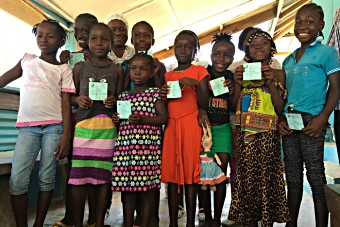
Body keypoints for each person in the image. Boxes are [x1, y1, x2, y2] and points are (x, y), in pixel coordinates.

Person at [0, 19, 75, 227]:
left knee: (46, 177)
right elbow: (3, 79)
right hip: (27, 129)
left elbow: (66, 105)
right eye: (40, 35)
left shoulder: (64, 70)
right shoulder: (27, 60)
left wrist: (66, 137)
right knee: (17, 181)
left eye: (50, 36)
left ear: (61, 41)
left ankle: (39, 224)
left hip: (54, 128)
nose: (43, 39)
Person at [278, 3, 340, 227]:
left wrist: (323, 118)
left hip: (312, 122)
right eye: (299, 22)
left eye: (309, 22)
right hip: (289, 122)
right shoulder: (289, 59)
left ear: (321, 26)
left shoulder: (327, 53)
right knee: (293, 178)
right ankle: (290, 224)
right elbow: (284, 96)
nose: (302, 26)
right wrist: (280, 120)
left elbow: (336, 89)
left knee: (315, 177)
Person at [227, 30, 290, 226]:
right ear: (247, 49)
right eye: (254, 44)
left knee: (267, 177)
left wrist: (271, 82)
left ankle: (267, 220)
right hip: (245, 134)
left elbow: (280, 108)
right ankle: (249, 221)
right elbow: (233, 105)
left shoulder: (279, 73)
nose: (258, 47)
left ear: (271, 48)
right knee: (247, 179)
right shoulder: (242, 72)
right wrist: (237, 84)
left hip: (268, 135)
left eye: (264, 43)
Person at [68, 23, 123, 227]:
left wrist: (113, 101)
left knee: (103, 176)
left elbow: (121, 99)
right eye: (94, 39)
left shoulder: (116, 69)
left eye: (104, 39)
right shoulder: (80, 67)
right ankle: (78, 223)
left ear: (111, 43)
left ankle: (98, 222)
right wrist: (78, 100)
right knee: (78, 176)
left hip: (107, 129)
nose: (99, 43)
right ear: (87, 41)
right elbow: (71, 97)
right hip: (83, 127)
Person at [111, 52, 168, 227]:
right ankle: (127, 222)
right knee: (127, 189)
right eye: (134, 69)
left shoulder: (154, 94)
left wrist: (143, 119)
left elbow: (163, 118)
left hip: (147, 152)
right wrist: (117, 120)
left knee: (148, 189)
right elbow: (121, 122)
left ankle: (144, 222)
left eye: (143, 69)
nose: (137, 72)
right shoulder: (123, 96)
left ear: (151, 73)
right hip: (125, 151)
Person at [160, 30, 210, 227]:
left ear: (195, 50)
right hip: (172, 127)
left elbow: (205, 103)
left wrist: (196, 84)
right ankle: (173, 222)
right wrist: (163, 95)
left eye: (188, 46)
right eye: (179, 46)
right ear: (173, 49)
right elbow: (163, 106)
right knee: (172, 177)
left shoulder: (200, 72)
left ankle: (190, 222)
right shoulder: (168, 75)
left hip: (191, 127)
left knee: (191, 175)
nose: (183, 50)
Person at [55, 13, 99, 227]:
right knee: (74, 170)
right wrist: (61, 64)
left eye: (86, 30)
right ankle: (71, 215)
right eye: (78, 30)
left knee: (95, 171)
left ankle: (94, 217)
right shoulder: (70, 58)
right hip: (74, 120)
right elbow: (66, 92)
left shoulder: (103, 58)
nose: (81, 34)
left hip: (98, 123)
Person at [198, 33, 235, 227]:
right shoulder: (203, 75)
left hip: (222, 131)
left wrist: (233, 90)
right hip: (203, 132)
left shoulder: (232, 77)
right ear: (210, 55)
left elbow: (234, 106)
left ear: (233, 57)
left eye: (227, 55)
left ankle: (217, 218)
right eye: (217, 54)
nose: (221, 59)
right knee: (204, 175)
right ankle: (206, 213)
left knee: (221, 174)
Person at [124, 21, 166, 90]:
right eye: (137, 35)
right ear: (131, 40)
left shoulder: (159, 66)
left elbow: (162, 94)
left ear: (153, 41)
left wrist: (154, 73)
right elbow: (120, 94)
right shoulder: (125, 65)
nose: (142, 39)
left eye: (146, 35)